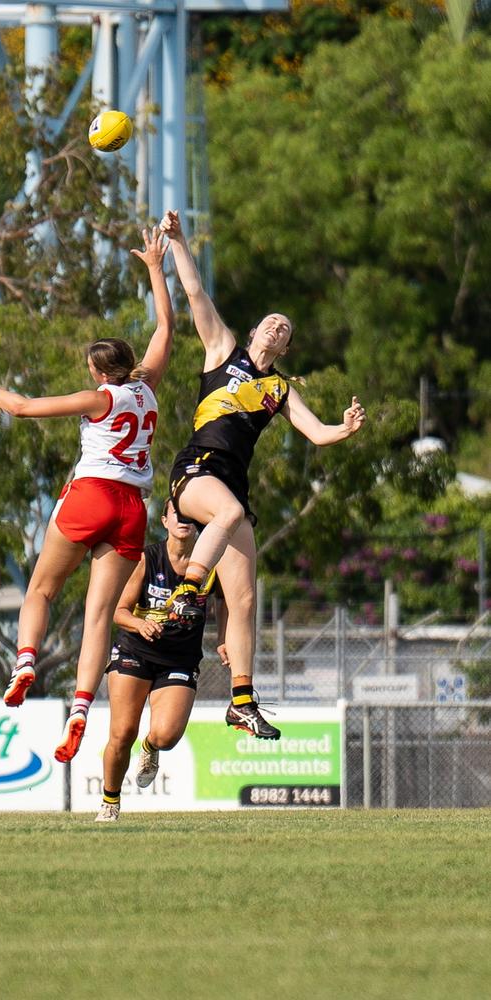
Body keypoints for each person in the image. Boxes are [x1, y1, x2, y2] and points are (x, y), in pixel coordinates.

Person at [0, 226, 174, 763]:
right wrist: (154, 268)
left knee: (41, 592)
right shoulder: (146, 387)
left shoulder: (98, 397)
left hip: (91, 494)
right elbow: (166, 326)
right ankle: (78, 709)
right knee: (99, 616)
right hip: (131, 510)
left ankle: (25, 659)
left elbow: (23, 407)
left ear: (99, 370)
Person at [158, 208, 366, 740]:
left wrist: (344, 428)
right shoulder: (223, 350)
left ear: (287, 349)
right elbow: (196, 293)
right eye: (272, 321)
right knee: (225, 513)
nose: (278, 326)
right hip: (197, 472)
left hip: (233, 488)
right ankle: (186, 592)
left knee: (246, 599)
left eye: (286, 329)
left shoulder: (279, 388)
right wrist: (180, 242)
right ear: (254, 332)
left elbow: (316, 434)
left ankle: (241, 702)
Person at [95, 498, 226, 822]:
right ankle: (110, 802)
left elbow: (228, 605)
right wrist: (140, 623)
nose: (183, 519)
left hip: (179, 661)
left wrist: (225, 639)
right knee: (123, 732)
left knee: (166, 736)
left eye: (189, 514)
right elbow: (118, 612)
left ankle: (150, 749)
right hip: (134, 652)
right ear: (165, 521)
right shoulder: (146, 559)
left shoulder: (211, 565)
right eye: (175, 514)